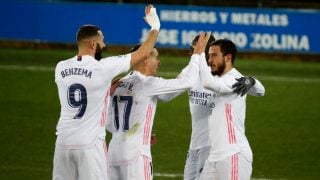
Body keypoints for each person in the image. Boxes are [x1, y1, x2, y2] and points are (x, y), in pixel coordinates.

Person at [52, 4, 160, 180]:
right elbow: (143, 53)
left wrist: (106, 90)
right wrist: (155, 26)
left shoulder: (60, 68)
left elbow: (84, 89)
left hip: (63, 143)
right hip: (90, 145)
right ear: (93, 43)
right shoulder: (103, 68)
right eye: (102, 41)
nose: (104, 44)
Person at [106, 33, 212, 180]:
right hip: (135, 155)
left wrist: (136, 130)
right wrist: (197, 55)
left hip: (113, 154)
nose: (159, 62)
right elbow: (187, 82)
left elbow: (108, 122)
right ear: (145, 61)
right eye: (156, 57)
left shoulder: (118, 83)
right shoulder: (147, 83)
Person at [158, 34, 264, 180]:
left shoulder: (225, 76)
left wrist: (252, 81)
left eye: (195, 49)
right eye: (192, 50)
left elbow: (260, 91)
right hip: (196, 147)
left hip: (217, 147)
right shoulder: (190, 71)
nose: (191, 53)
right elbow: (165, 95)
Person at [198, 39, 265, 180]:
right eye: (208, 56)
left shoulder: (234, 80)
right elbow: (260, 91)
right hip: (215, 156)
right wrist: (251, 80)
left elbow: (207, 83)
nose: (209, 60)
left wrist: (198, 54)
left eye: (214, 55)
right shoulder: (224, 79)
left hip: (233, 154)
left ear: (228, 57)